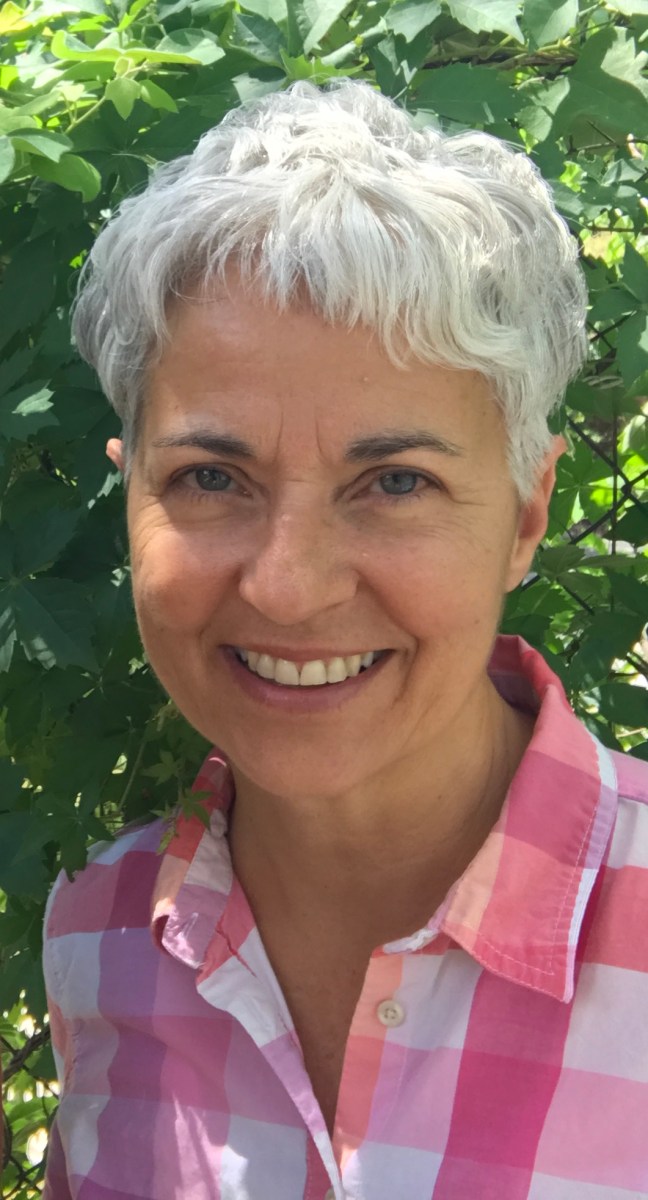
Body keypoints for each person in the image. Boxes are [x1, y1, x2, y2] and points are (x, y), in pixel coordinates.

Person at [42, 81, 648, 1200]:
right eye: (211, 478)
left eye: (396, 482)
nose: (287, 588)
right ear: (131, 498)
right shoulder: (95, 938)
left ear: (527, 515)